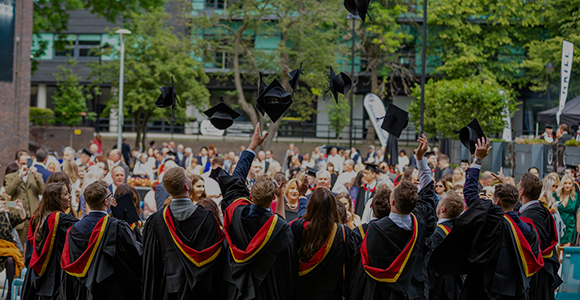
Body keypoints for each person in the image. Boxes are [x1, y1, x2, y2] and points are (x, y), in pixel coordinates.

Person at [429, 137, 543, 300]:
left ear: (496, 201)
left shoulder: (491, 219)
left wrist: (478, 160)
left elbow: (469, 193)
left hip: (484, 288)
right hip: (513, 290)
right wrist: (510, 190)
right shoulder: (527, 228)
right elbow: (514, 210)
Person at [211, 123, 296, 300]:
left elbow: (236, 179)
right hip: (266, 288)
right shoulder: (279, 227)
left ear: (250, 193)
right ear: (273, 197)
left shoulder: (234, 211)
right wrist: (282, 198)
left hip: (235, 286)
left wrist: (251, 147)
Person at [349, 134, 437, 299]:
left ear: (392, 201)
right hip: (413, 292)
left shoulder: (374, 229)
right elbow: (428, 193)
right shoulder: (421, 223)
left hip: (383, 293)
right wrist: (420, 158)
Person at [142, 166, 225, 300]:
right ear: (187, 186)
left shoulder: (156, 221)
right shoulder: (208, 217)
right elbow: (218, 259)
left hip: (168, 289)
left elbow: (151, 264)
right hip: (201, 290)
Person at [59, 180, 142, 299]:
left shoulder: (73, 229)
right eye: (110, 196)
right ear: (106, 201)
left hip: (81, 289)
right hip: (107, 289)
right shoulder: (116, 227)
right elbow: (135, 255)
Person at [290, 187, 352, 300]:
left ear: (311, 206)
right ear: (333, 208)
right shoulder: (342, 232)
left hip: (299, 293)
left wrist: (302, 197)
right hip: (330, 294)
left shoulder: (297, 228)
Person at [509, 173, 562, 300]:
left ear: (521, 192)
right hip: (543, 271)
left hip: (535, 278)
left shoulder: (528, 218)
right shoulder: (541, 209)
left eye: (518, 187)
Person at [22, 182, 78, 300]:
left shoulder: (40, 215)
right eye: (66, 194)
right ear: (57, 199)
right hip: (54, 274)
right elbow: (85, 228)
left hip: (36, 273)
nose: (70, 196)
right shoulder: (61, 218)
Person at [426, 190, 465, 300]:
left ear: (443, 209)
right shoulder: (460, 232)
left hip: (439, 290)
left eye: (440, 202)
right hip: (456, 288)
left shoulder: (436, 235)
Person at [5, 151, 45, 246]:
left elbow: (43, 191)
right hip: (19, 217)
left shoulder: (37, 176)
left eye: (27, 162)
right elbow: (8, 191)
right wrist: (20, 177)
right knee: (20, 247)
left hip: (34, 217)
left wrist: (36, 177)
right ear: (17, 162)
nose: (25, 165)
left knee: (35, 246)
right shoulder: (10, 177)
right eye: (22, 163)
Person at [0, 199, 26, 300]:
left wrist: (21, 209)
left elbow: (21, 218)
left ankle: (10, 291)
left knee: (11, 260)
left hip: (7, 248)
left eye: (3, 200)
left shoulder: (6, 215)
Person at [553, 174, 580, 246]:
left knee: (566, 251)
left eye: (569, 183)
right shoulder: (556, 195)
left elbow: (577, 212)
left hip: (569, 226)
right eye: (565, 183)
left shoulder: (575, 196)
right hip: (557, 226)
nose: (567, 185)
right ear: (562, 184)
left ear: (572, 185)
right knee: (557, 250)